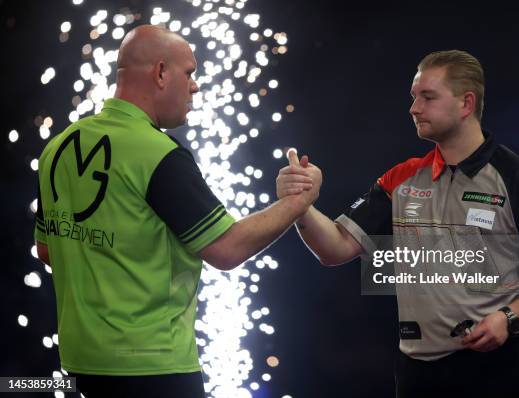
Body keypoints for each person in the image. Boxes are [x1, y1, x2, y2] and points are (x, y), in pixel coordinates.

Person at [276, 50, 519, 397]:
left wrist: (508, 317)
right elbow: (333, 249)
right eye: (413, 98)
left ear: (466, 104)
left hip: (499, 369)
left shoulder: (518, 178)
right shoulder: (401, 178)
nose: (414, 108)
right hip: (416, 374)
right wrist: (300, 205)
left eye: (427, 97)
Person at [33, 25, 317, 398]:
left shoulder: (59, 145)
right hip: (153, 366)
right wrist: (298, 202)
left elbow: (48, 250)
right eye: (190, 73)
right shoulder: (157, 154)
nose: (195, 86)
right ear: (161, 72)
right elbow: (227, 249)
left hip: (80, 365)